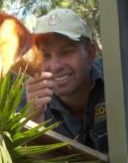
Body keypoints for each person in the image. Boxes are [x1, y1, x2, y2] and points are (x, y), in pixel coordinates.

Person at [19, 8, 108, 153]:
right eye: (46, 55)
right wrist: (34, 118)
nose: (55, 66)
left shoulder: (117, 77)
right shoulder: (29, 102)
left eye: (66, 52)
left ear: (90, 53)